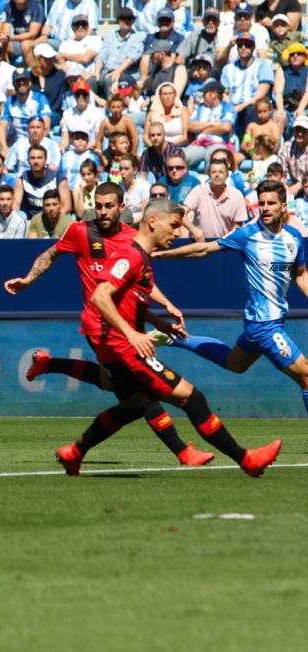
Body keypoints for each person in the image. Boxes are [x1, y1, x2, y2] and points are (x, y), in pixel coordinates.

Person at [53, 197, 282, 476]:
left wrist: (162, 324)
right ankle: (246, 459)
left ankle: (74, 453)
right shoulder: (131, 256)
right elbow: (100, 296)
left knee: (133, 405)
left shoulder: (141, 258)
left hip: (117, 347)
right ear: (152, 222)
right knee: (191, 398)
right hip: (123, 348)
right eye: (173, 225)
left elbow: (130, 302)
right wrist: (132, 334)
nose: (177, 233)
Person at [3, 183, 214, 468]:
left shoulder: (133, 238)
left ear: (121, 206)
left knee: (116, 387)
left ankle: (51, 372)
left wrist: (164, 307)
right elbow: (50, 254)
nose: (102, 211)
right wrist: (28, 279)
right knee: (142, 391)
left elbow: (140, 284)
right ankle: (182, 452)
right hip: (100, 326)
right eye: (98, 205)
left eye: (108, 206)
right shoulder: (80, 231)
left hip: (124, 325)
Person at [153, 178, 308, 415]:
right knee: (306, 376)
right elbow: (203, 248)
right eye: (261, 203)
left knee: (234, 363)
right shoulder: (247, 235)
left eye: (271, 203)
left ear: (284, 207)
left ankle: (177, 339)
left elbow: (301, 275)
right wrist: (162, 255)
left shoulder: (294, 238)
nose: (265, 208)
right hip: (263, 325)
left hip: (272, 321)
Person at [183, 159, 248, 238]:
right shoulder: (199, 191)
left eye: (221, 172)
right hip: (200, 243)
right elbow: (181, 213)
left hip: (225, 244)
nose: (217, 175)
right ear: (209, 175)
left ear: (227, 175)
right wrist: (194, 230)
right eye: (213, 172)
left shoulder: (236, 195)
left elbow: (238, 224)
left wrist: (226, 241)